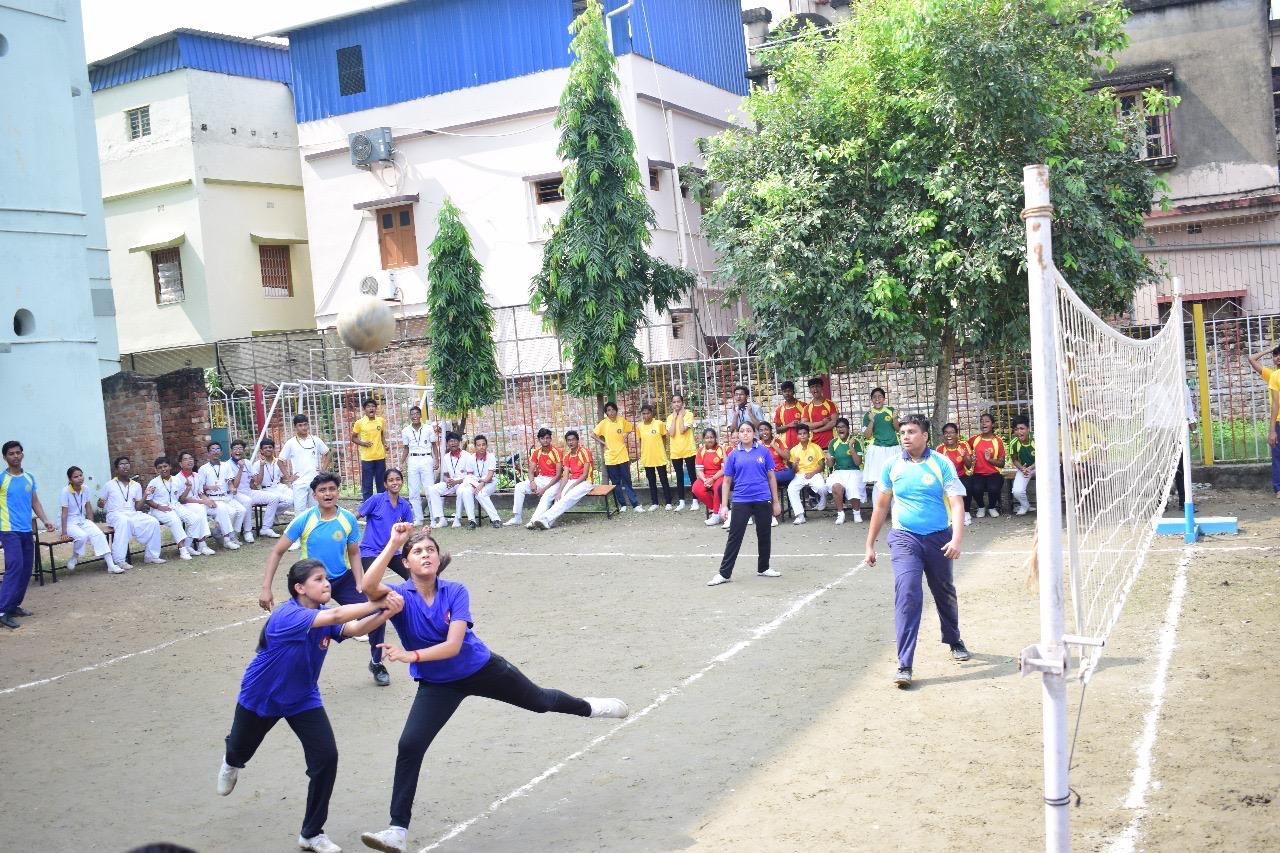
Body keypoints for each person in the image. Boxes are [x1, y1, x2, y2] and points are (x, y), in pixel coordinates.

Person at [357, 524, 628, 853]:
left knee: (540, 701)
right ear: (406, 563)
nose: (425, 555)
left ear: (438, 558)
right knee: (410, 745)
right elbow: (367, 585)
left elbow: (454, 645)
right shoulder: (398, 597)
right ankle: (397, 830)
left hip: (481, 669)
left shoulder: (455, 591)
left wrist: (409, 655)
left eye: (430, 550)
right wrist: (394, 542)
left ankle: (591, 707)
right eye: (417, 552)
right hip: (438, 684)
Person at [218, 559, 403, 853]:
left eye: (326, 578)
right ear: (299, 588)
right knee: (241, 748)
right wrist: (377, 601)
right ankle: (231, 759)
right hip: (262, 696)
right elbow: (339, 615)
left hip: (303, 697)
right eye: (318, 579)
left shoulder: (321, 614)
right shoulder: (288, 616)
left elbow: (352, 628)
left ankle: (311, 833)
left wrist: (385, 613)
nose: (326, 583)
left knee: (326, 759)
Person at [864, 413, 971, 688]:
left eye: (911, 432)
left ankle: (953, 638)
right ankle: (905, 664)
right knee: (908, 592)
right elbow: (880, 506)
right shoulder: (891, 466)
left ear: (925, 436)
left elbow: (957, 504)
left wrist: (956, 539)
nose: (906, 437)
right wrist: (869, 543)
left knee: (944, 591)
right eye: (902, 433)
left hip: (939, 538)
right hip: (904, 538)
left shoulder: (941, 463)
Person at [261, 473, 389, 688]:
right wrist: (266, 588)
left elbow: (354, 553)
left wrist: (359, 581)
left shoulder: (347, 519)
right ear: (314, 495)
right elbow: (277, 552)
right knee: (303, 627)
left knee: (376, 613)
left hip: (342, 578)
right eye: (322, 490)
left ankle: (377, 662)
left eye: (332, 489)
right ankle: (283, 670)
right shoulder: (305, 519)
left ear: (338, 492)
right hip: (312, 583)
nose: (328, 494)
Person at [706, 422, 782, 586]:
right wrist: (724, 505)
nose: (745, 433)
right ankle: (724, 573)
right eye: (742, 431)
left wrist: (775, 502)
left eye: (748, 431)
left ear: (754, 433)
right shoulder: (733, 454)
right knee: (734, 536)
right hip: (741, 500)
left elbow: (771, 477)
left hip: (762, 498)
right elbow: (726, 481)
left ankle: (764, 568)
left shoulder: (763, 451)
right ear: (738, 435)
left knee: (764, 534)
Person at [0, 441, 56, 629]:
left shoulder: (29, 478)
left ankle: (14, 605)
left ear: (22, 455)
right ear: (5, 457)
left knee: (25, 569)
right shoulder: (2, 479)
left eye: (18, 453)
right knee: (14, 566)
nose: (15, 456)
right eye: (11, 454)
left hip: (26, 530)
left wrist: (45, 519)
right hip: (8, 530)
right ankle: (2, 610)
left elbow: (35, 502)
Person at [99, 456, 165, 569]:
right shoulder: (109, 485)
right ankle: (119, 560)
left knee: (153, 521)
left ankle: (151, 556)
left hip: (132, 513)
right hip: (115, 514)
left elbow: (138, 507)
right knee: (124, 521)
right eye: (122, 464)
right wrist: (100, 503)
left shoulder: (136, 485)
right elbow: (101, 504)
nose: (125, 466)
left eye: (127, 464)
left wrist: (146, 494)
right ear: (116, 469)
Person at [61, 465, 121, 574]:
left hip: (82, 520)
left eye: (81, 475)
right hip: (69, 522)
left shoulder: (85, 488)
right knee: (82, 536)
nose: (79, 478)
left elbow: (88, 507)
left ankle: (111, 565)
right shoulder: (65, 491)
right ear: (70, 479)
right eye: (76, 477)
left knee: (99, 534)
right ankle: (74, 557)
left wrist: (91, 523)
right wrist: (64, 532)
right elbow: (64, 514)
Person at [358, 468, 416, 580]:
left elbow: (410, 531)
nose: (395, 482)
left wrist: (422, 535)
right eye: (391, 480)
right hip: (370, 551)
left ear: (402, 482)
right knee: (371, 583)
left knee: (413, 577)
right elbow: (356, 515)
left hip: (392, 550)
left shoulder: (404, 505)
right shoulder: (376, 499)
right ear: (385, 484)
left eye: (398, 479)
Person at [532, 431, 595, 530]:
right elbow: (565, 476)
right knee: (559, 498)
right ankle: (547, 523)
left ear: (577, 440)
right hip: (572, 481)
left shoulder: (585, 452)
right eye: (569, 440)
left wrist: (572, 486)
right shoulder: (567, 456)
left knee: (568, 498)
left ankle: (544, 518)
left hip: (585, 482)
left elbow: (585, 474)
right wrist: (560, 491)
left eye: (573, 439)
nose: (571, 442)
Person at [280, 414, 332, 528]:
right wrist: (288, 477)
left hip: (315, 482)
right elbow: (280, 461)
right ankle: (297, 539)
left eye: (305, 424)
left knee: (315, 510)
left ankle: (314, 534)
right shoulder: (291, 442)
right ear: (295, 427)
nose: (303, 427)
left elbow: (327, 453)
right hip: (299, 483)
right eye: (300, 425)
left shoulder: (315, 440)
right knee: (299, 512)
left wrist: (323, 469)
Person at [506, 428, 562, 528]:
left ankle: (533, 521)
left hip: (554, 481)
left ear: (550, 439)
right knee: (519, 486)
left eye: (547, 438)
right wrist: (532, 481)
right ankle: (517, 518)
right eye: (542, 438)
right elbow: (531, 471)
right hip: (541, 479)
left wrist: (543, 489)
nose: (545, 440)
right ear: (539, 440)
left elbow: (558, 475)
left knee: (546, 497)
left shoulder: (557, 452)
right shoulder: (536, 452)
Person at [592, 402, 640, 512]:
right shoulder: (603, 423)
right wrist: (603, 443)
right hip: (610, 457)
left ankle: (635, 504)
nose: (611, 412)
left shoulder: (621, 420)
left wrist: (626, 435)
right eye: (608, 410)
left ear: (616, 410)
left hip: (622, 455)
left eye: (613, 409)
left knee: (627, 481)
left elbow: (629, 428)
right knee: (616, 483)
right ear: (606, 413)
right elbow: (593, 434)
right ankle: (622, 504)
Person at [146, 456, 196, 560]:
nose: (163, 469)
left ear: (170, 467)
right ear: (156, 470)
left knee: (194, 519)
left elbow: (181, 498)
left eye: (165, 466)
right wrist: (159, 506)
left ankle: (187, 545)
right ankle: (183, 550)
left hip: (175, 505)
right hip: (159, 509)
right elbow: (148, 500)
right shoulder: (154, 482)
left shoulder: (177, 480)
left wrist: (188, 488)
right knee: (175, 520)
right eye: (160, 467)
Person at [228, 440, 278, 545]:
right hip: (235, 494)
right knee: (247, 501)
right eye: (235, 449)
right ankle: (248, 531)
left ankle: (265, 528)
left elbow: (257, 482)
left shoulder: (247, 462)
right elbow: (234, 486)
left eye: (240, 449)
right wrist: (241, 468)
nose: (238, 451)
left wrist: (261, 465)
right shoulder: (227, 465)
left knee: (274, 498)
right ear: (231, 451)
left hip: (248, 491)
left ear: (243, 451)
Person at [198, 442, 246, 548]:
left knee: (242, 510)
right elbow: (200, 488)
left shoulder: (226, 465)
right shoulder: (203, 469)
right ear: (208, 453)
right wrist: (209, 487)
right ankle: (224, 536)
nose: (215, 451)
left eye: (218, 449)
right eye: (213, 449)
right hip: (213, 498)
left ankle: (233, 535)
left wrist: (232, 489)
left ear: (221, 452)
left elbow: (229, 483)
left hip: (226, 496)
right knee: (231, 512)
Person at [400, 405, 440, 525]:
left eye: (417, 413)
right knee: (413, 491)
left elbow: (434, 445)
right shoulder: (405, 431)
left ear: (420, 415)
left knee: (430, 489)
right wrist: (401, 463)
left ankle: (434, 518)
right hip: (413, 460)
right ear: (410, 416)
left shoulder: (428, 428)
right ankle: (419, 518)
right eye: (412, 414)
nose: (415, 416)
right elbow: (406, 448)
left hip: (426, 458)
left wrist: (436, 460)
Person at [173, 451, 218, 555]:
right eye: (186, 459)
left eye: (191, 458)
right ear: (180, 464)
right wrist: (202, 501)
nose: (189, 461)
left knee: (211, 508)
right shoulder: (177, 479)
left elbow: (200, 493)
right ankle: (202, 544)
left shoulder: (197, 475)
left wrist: (208, 500)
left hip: (197, 503)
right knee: (200, 509)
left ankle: (195, 544)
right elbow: (181, 500)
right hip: (184, 505)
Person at [428, 433, 474, 528]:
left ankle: (457, 519)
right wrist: (447, 480)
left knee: (461, 491)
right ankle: (441, 519)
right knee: (432, 489)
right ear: (447, 443)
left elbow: (470, 476)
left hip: (464, 483)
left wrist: (456, 482)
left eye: (455, 441)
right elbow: (444, 474)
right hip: (451, 483)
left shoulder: (467, 456)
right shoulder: (446, 457)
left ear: (459, 442)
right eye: (450, 441)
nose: (453, 443)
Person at [861, 387, 900, 502]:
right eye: (874, 397)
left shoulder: (891, 410)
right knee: (878, 480)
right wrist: (872, 421)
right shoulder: (868, 415)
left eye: (880, 397)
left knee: (894, 479)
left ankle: (895, 510)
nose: (877, 399)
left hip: (893, 448)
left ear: (884, 398)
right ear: (871, 400)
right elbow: (867, 435)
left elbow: (898, 429)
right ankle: (877, 510)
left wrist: (894, 418)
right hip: (877, 449)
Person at [248, 438, 292, 535]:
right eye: (265, 448)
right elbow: (256, 483)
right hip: (267, 489)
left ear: (273, 449)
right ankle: (269, 519)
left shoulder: (278, 462)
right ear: (261, 451)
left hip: (279, 486)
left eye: (270, 447)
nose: (268, 449)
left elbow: (282, 478)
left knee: (294, 497)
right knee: (288, 501)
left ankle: (271, 513)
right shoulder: (256, 464)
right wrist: (262, 465)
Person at [458, 435, 502, 529]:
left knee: (480, 494)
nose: (481, 447)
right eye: (479, 445)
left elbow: (490, 476)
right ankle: (472, 521)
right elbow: (469, 475)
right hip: (475, 482)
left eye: (483, 445)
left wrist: (482, 483)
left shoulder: (491, 457)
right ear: (475, 446)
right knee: (466, 491)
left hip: (490, 482)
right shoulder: (471, 458)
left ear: (486, 445)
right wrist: (475, 484)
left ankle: (496, 519)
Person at [1253, 343, 1280, 497]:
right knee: (1277, 455)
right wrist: (1269, 349)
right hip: (1278, 421)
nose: (1278, 358)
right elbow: (1251, 359)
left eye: (1279, 354)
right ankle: (1278, 488)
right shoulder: (1273, 375)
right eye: (1275, 355)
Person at [967, 413, 1006, 518]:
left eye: (987, 421)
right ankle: (981, 507)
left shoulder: (997, 441)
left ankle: (992, 507)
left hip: (994, 473)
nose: (983, 423)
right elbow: (964, 449)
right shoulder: (974, 439)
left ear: (992, 424)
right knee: (975, 487)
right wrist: (970, 457)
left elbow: (1002, 464)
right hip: (978, 473)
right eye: (981, 421)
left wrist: (990, 460)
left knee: (993, 488)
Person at [787, 424, 828, 525]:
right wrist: (795, 465)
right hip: (800, 475)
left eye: (804, 433)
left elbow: (821, 466)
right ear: (797, 436)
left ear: (808, 435)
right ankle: (800, 516)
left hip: (814, 473)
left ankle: (823, 500)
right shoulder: (794, 450)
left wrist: (812, 473)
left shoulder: (816, 447)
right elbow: (794, 470)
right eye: (800, 434)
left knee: (822, 487)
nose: (802, 436)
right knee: (791, 489)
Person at [827, 418, 865, 524]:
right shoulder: (833, 443)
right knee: (836, 486)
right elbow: (830, 464)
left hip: (854, 471)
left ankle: (856, 513)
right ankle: (840, 514)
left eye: (843, 427)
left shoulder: (855, 442)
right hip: (839, 472)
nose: (840, 429)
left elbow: (858, 463)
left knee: (853, 486)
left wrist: (851, 447)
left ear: (848, 428)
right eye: (838, 427)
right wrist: (829, 459)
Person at [936, 423, 975, 526]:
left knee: (967, 486)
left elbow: (969, 466)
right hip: (947, 478)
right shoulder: (940, 449)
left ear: (957, 434)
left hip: (962, 475)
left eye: (952, 432)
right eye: (946, 433)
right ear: (943, 435)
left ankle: (966, 513)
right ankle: (950, 514)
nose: (949, 435)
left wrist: (964, 457)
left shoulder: (964, 445)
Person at [666, 393, 699, 511]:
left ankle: (695, 500)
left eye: (678, 401)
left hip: (688, 449)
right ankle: (681, 501)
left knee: (692, 476)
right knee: (679, 476)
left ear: (682, 403)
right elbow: (672, 433)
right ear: (672, 404)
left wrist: (680, 416)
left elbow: (682, 430)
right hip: (675, 451)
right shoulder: (670, 418)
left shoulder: (689, 415)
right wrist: (675, 417)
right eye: (674, 402)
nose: (676, 404)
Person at [636, 404, 672, 510]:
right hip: (647, 457)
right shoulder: (639, 426)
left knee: (663, 479)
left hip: (659, 456)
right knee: (651, 481)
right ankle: (654, 502)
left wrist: (664, 449)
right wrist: (641, 452)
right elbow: (640, 440)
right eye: (644, 414)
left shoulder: (659, 424)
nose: (646, 415)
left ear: (652, 413)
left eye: (648, 413)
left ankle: (668, 502)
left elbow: (664, 437)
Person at [352, 398, 388, 500]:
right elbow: (353, 438)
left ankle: (382, 505)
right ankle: (368, 507)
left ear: (376, 408)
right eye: (368, 407)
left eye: (373, 406)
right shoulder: (360, 423)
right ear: (364, 409)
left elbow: (381, 434)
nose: (371, 408)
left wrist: (385, 444)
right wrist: (363, 443)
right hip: (367, 458)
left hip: (380, 456)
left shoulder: (380, 420)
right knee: (367, 484)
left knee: (381, 483)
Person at [692, 428, 726, 525]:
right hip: (705, 476)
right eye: (707, 438)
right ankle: (717, 509)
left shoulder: (720, 449)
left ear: (715, 438)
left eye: (712, 437)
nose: (709, 440)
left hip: (719, 476)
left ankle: (715, 515)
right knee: (696, 488)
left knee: (718, 488)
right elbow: (699, 470)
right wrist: (705, 480)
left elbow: (724, 469)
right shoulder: (701, 451)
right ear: (703, 439)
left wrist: (713, 478)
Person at [758, 422, 794, 504]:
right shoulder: (757, 445)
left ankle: (773, 506)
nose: (764, 432)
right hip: (767, 474)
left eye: (766, 429)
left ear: (771, 431)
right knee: (766, 479)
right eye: (761, 430)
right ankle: (773, 506)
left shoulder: (779, 441)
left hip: (782, 473)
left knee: (788, 474)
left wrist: (773, 445)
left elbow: (787, 457)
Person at [1008, 415, 1036, 516]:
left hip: (1040, 466)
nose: (1019, 432)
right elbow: (1014, 460)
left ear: (1028, 429)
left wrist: (1031, 468)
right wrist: (1022, 468)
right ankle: (1025, 506)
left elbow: (1043, 457)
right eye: (1016, 429)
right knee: (1017, 491)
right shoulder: (1013, 443)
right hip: (1024, 469)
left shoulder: (1036, 438)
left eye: (1022, 428)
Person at [804, 377, 839, 450]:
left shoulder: (831, 404)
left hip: (831, 443)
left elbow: (834, 422)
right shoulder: (807, 408)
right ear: (810, 390)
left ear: (822, 388)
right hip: (814, 445)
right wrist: (822, 422)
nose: (815, 389)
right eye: (812, 387)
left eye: (817, 386)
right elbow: (805, 425)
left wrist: (817, 430)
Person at [773, 381, 806, 451]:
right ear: (782, 393)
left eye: (789, 391)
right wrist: (789, 425)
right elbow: (777, 430)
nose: (787, 393)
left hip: (802, 442)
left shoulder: (803, 406)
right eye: (784, 391)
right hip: (786, 444)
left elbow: (809, 424)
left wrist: (801, 424)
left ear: (793, 392)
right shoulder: (779, 410)